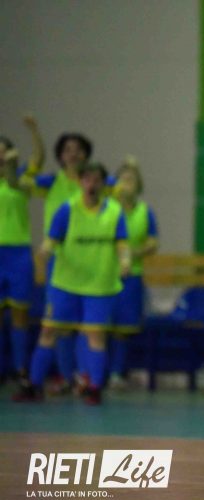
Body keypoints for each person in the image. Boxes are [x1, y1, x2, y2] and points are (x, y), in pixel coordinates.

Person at [13, 162, 130, 405]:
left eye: (96, 180)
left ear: (103, 184)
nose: (91, 184)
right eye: (87, 179)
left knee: (95, 335)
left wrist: (125, 261)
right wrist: (45, 251)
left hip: (99, 285)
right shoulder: (67, 209)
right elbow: (52, 239)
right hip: (66, 283)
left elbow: (122, 243)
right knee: (49, 331)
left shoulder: (114, 212)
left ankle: (94, 388)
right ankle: (33, 384)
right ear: (80, 182)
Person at [20, 133, 94, 393]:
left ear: (86, 154)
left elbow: (123, 188)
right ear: (60, 156)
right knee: (56, 325)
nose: (73, 154)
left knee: (88, 327)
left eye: (78, 149)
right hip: (60, 265)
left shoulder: (95, 184)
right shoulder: (51, 182)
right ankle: (60, 377)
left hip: (90, 265)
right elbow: (22, 182)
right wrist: (34, 137)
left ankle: (86, 379)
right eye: (67, 149)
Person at [0, 115, 45, 382]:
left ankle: (20, 368)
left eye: (3, 152)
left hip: (18, 254)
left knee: (19, 315)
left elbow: (39, 158)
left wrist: (34, 130)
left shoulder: (21, 179)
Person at [108, 156, 159, 389]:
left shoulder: (145, 212)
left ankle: (116, 372)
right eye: (123, 178)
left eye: (132, 179)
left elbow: (153, 242)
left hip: (131, 276)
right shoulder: (107, 209)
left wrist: (133, 252)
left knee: (123, 328)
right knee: (100, 325)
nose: (127, 183)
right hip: (105, 275)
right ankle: (93, 372)